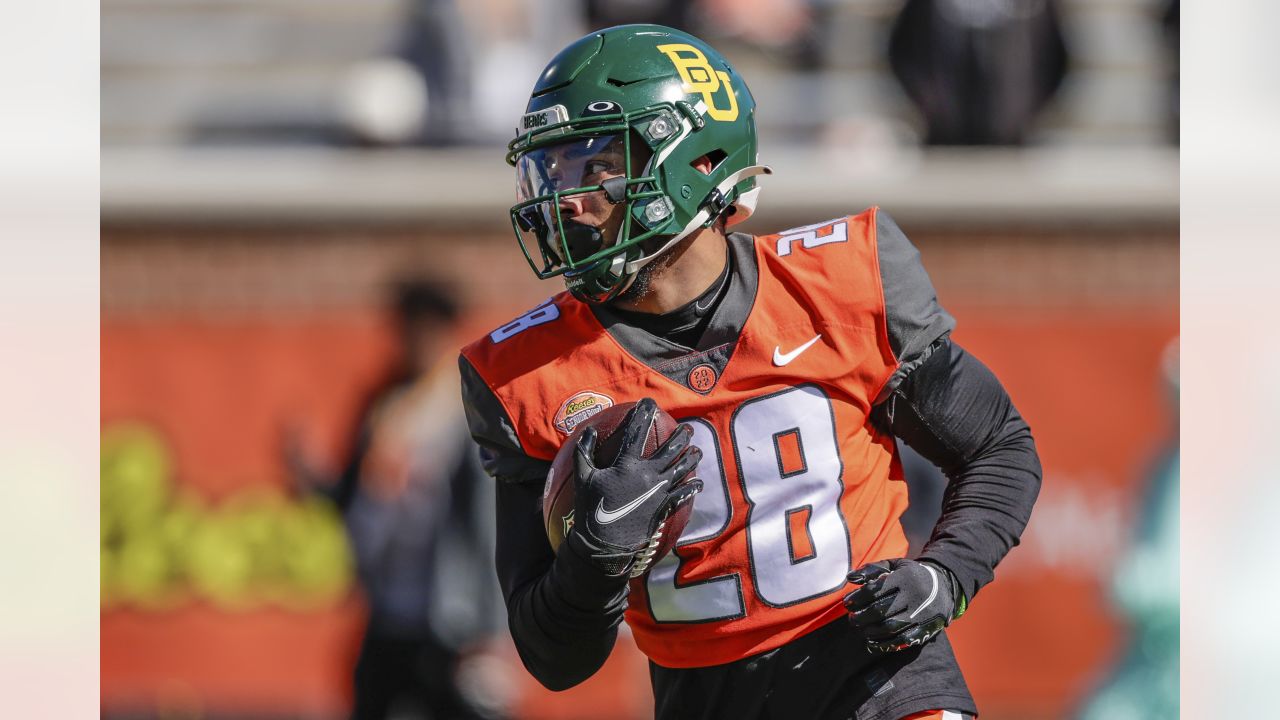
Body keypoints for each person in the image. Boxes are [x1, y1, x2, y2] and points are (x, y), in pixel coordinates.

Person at [459, 25, 1041, 720]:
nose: (566, 200)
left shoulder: (837, 285)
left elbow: (999, 447)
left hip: (879, 681)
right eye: (550, 171)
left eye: (592, 164)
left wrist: (945, 576)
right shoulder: (529, 376)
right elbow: (553, 660)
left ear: (692, 159)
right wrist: (594, 557)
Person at [289, 280, 505, 720]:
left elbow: (486, 520)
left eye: (428, 329)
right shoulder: (383, 408)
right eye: (410, 329)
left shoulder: (466, 407)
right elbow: (353, 496)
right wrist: (311, 480)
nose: (417, 342)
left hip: (448, 613)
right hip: (389, 609)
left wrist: (490, 624)